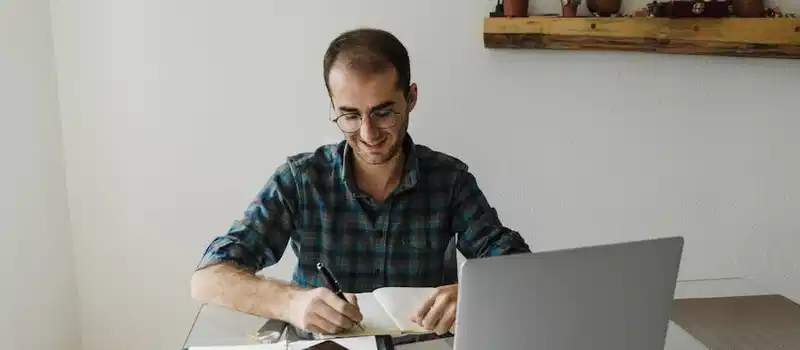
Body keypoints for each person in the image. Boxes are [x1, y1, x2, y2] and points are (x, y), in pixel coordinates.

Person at [190, 27, 531, 338]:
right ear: (333, 106)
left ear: (410, 98)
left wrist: (471, 293)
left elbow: (518, 266)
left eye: (383, 112)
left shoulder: (449, 181)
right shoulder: (301, 179)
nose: (368, 134)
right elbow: (207, 278)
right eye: (350, 115)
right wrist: (291, 303)